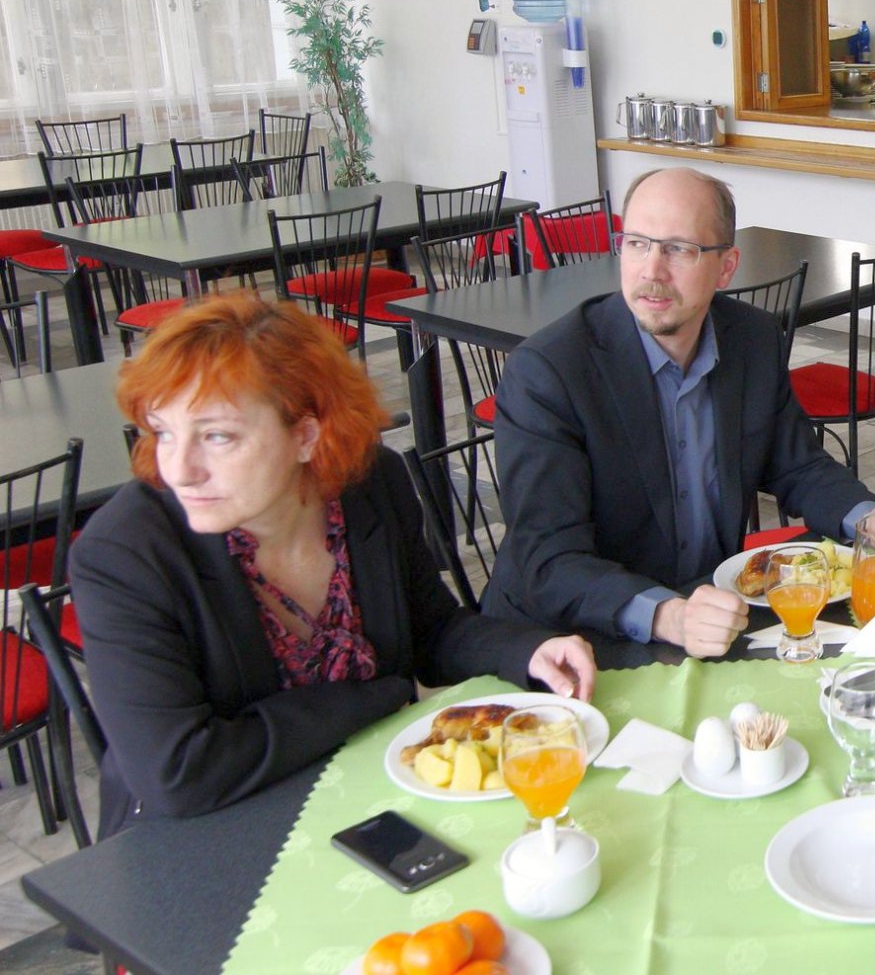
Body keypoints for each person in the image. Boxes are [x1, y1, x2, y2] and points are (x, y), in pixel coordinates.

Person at [67, 293, 596, 841]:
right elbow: (179, 772)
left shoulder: (370, 485)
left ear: (306, 434)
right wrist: (382, 697)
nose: (179, 469)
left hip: (358, 792)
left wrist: (525, 649)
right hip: (203, 832)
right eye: (163, 432)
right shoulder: (126, 553)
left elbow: (431, 629)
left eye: (216, 436)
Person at [484, 168, 875, 657]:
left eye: (678, 249)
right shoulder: (549, 371)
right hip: (568, 643)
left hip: (707, 613)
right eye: (636, 243)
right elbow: (549, 558)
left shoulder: (752, 338)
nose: (652, 271)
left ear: (726, 267)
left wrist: (869, 520)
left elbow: (797, 465)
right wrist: (665, 614)